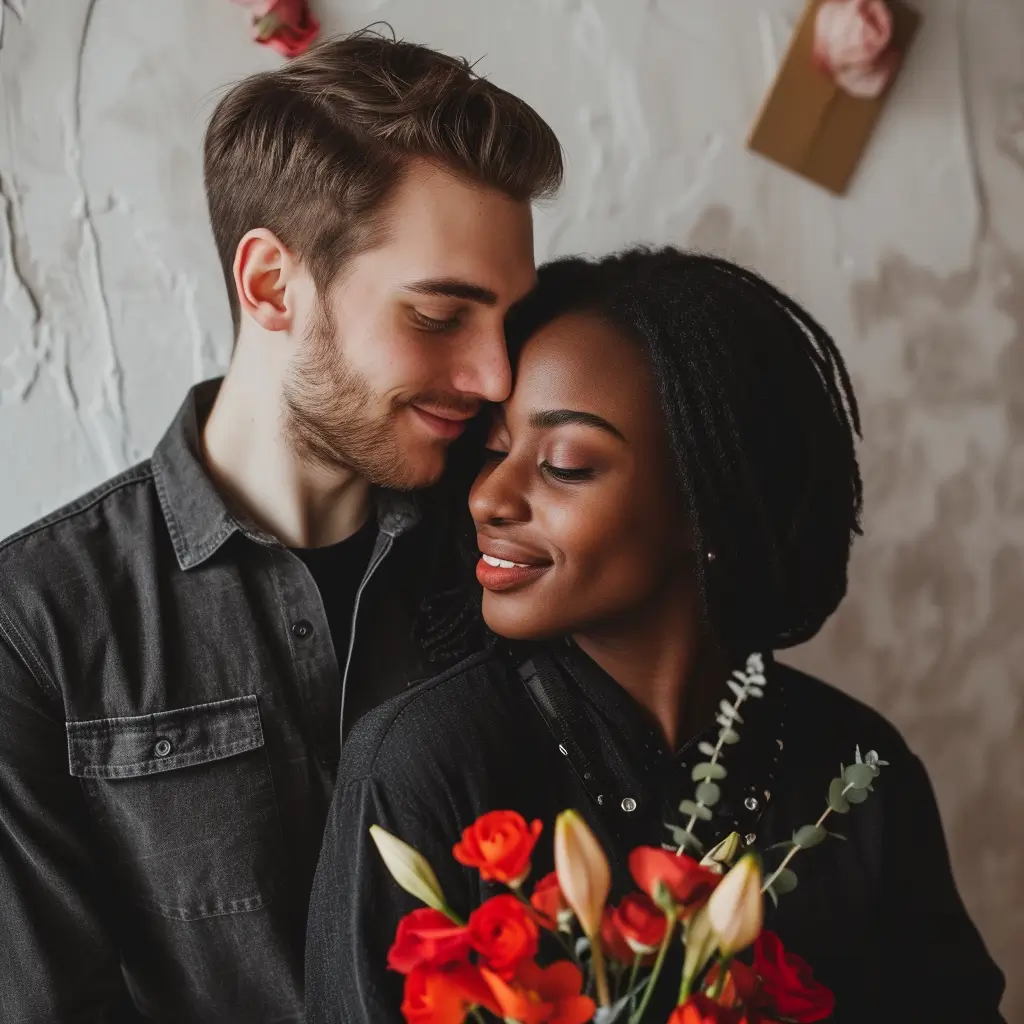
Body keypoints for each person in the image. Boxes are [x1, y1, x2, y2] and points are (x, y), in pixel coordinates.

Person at [0, 31, 562, 1023]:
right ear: (269, 285)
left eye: (506, 324)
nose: (495, 378)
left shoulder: (509, 555)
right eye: (439, 316)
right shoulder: (34, 627)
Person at [305, 249, 1006, 1023]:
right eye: (497, 451)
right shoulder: (422, 766)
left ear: (706, 507)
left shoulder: (860, 775)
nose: (489, 497)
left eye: (566, 463)